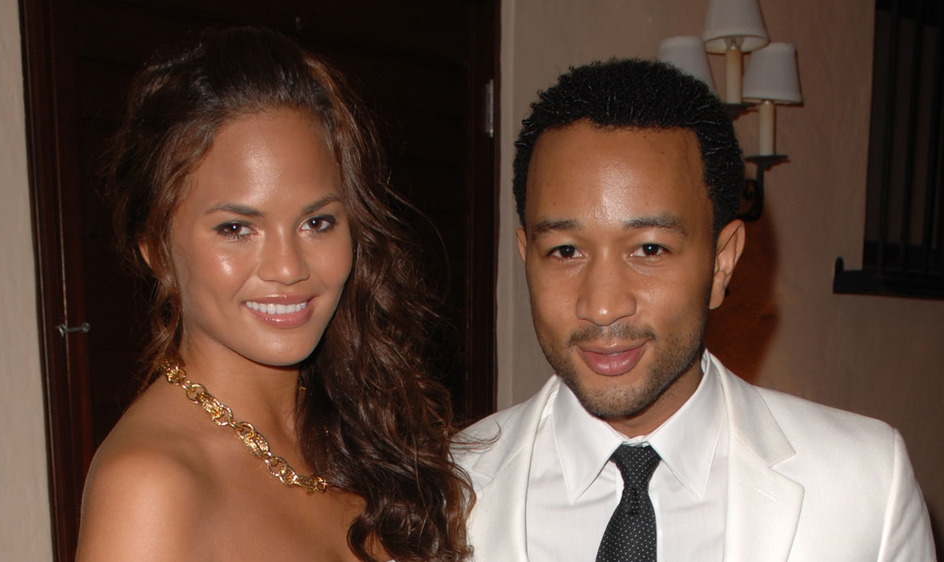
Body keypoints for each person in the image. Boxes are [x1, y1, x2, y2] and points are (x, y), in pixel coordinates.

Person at [454, 59, 935, 561]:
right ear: (524, 255)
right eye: (565, 251)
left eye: (650, 249)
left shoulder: (867, 484)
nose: (601, 306)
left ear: (722, 263)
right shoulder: (444, 487)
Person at [76, 26, 471, 562]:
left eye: (317, 222)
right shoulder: (149, 486)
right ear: (155, 247)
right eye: (237, 229)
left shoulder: (360, 421)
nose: (288, 268)